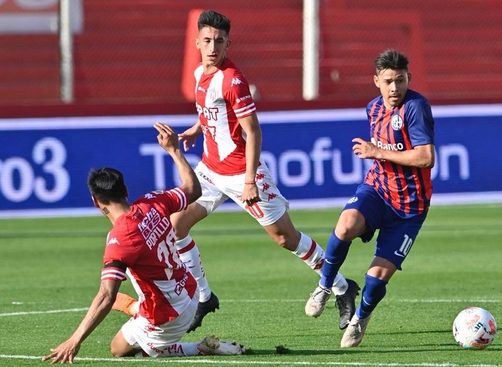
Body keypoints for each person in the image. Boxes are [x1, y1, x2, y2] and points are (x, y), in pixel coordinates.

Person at [110, 9, 359, 331]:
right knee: (174, 227)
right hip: (211, 171)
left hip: (242, 172)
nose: (213, 47)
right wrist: (195, 130)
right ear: (198, 42)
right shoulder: (201, 73)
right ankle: (203, 297)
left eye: (220, 41)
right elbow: (211, 112)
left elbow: (252, 132)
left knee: (285, 238)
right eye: (208, 40)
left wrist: (250, 180)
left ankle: (342, 286)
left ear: (228, 44)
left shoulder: (233, 80)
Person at [43, 123, 245, 364]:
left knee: (118, 348)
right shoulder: (152, 201)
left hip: (169, 316)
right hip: (190, 291)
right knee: (133, 293)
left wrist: (75, 339)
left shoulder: (119, 240)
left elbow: (106, 296)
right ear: (125, 191)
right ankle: (137, 310)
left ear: (96, 202)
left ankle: (198, 347)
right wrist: (174, 151)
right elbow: (193, 189)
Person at [305, 49, 435, 348]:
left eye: (400, 80)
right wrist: (379, 157)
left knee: (376, 278)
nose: (394, 88)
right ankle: (324, 286)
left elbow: (426, 157)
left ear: (408, 79)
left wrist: (376, 152)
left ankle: (360, 318)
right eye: (388, 81)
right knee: (346, 224)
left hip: (409, 209)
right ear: (376, 81)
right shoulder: (373, 108)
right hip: (377, 190)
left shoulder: (415, 108)